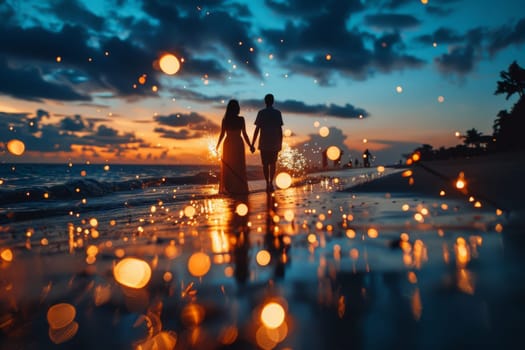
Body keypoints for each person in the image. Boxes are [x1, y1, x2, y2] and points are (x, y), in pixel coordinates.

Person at [216, 99, 253, 195]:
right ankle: (239, 188)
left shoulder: (225, 120)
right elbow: (244, 134)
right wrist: (250, 145)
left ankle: (230, 188)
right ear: (237, 109)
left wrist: (217, 145)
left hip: (228, 144)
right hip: (238, 143)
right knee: (238, 166)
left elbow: (222, 134)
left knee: (229, 166)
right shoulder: (241, 119)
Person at [251, 93, 283, 192]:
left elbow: (257, 129)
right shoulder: (277, 113)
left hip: (264, 142)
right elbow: (280, 130)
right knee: (273, 163)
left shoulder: (261, 113)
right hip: (274, 142)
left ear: (265, 101)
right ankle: (271, 182)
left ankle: (267, 183)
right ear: (273, 101)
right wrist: (280, 142)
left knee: (265, 164)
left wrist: (252, 143)